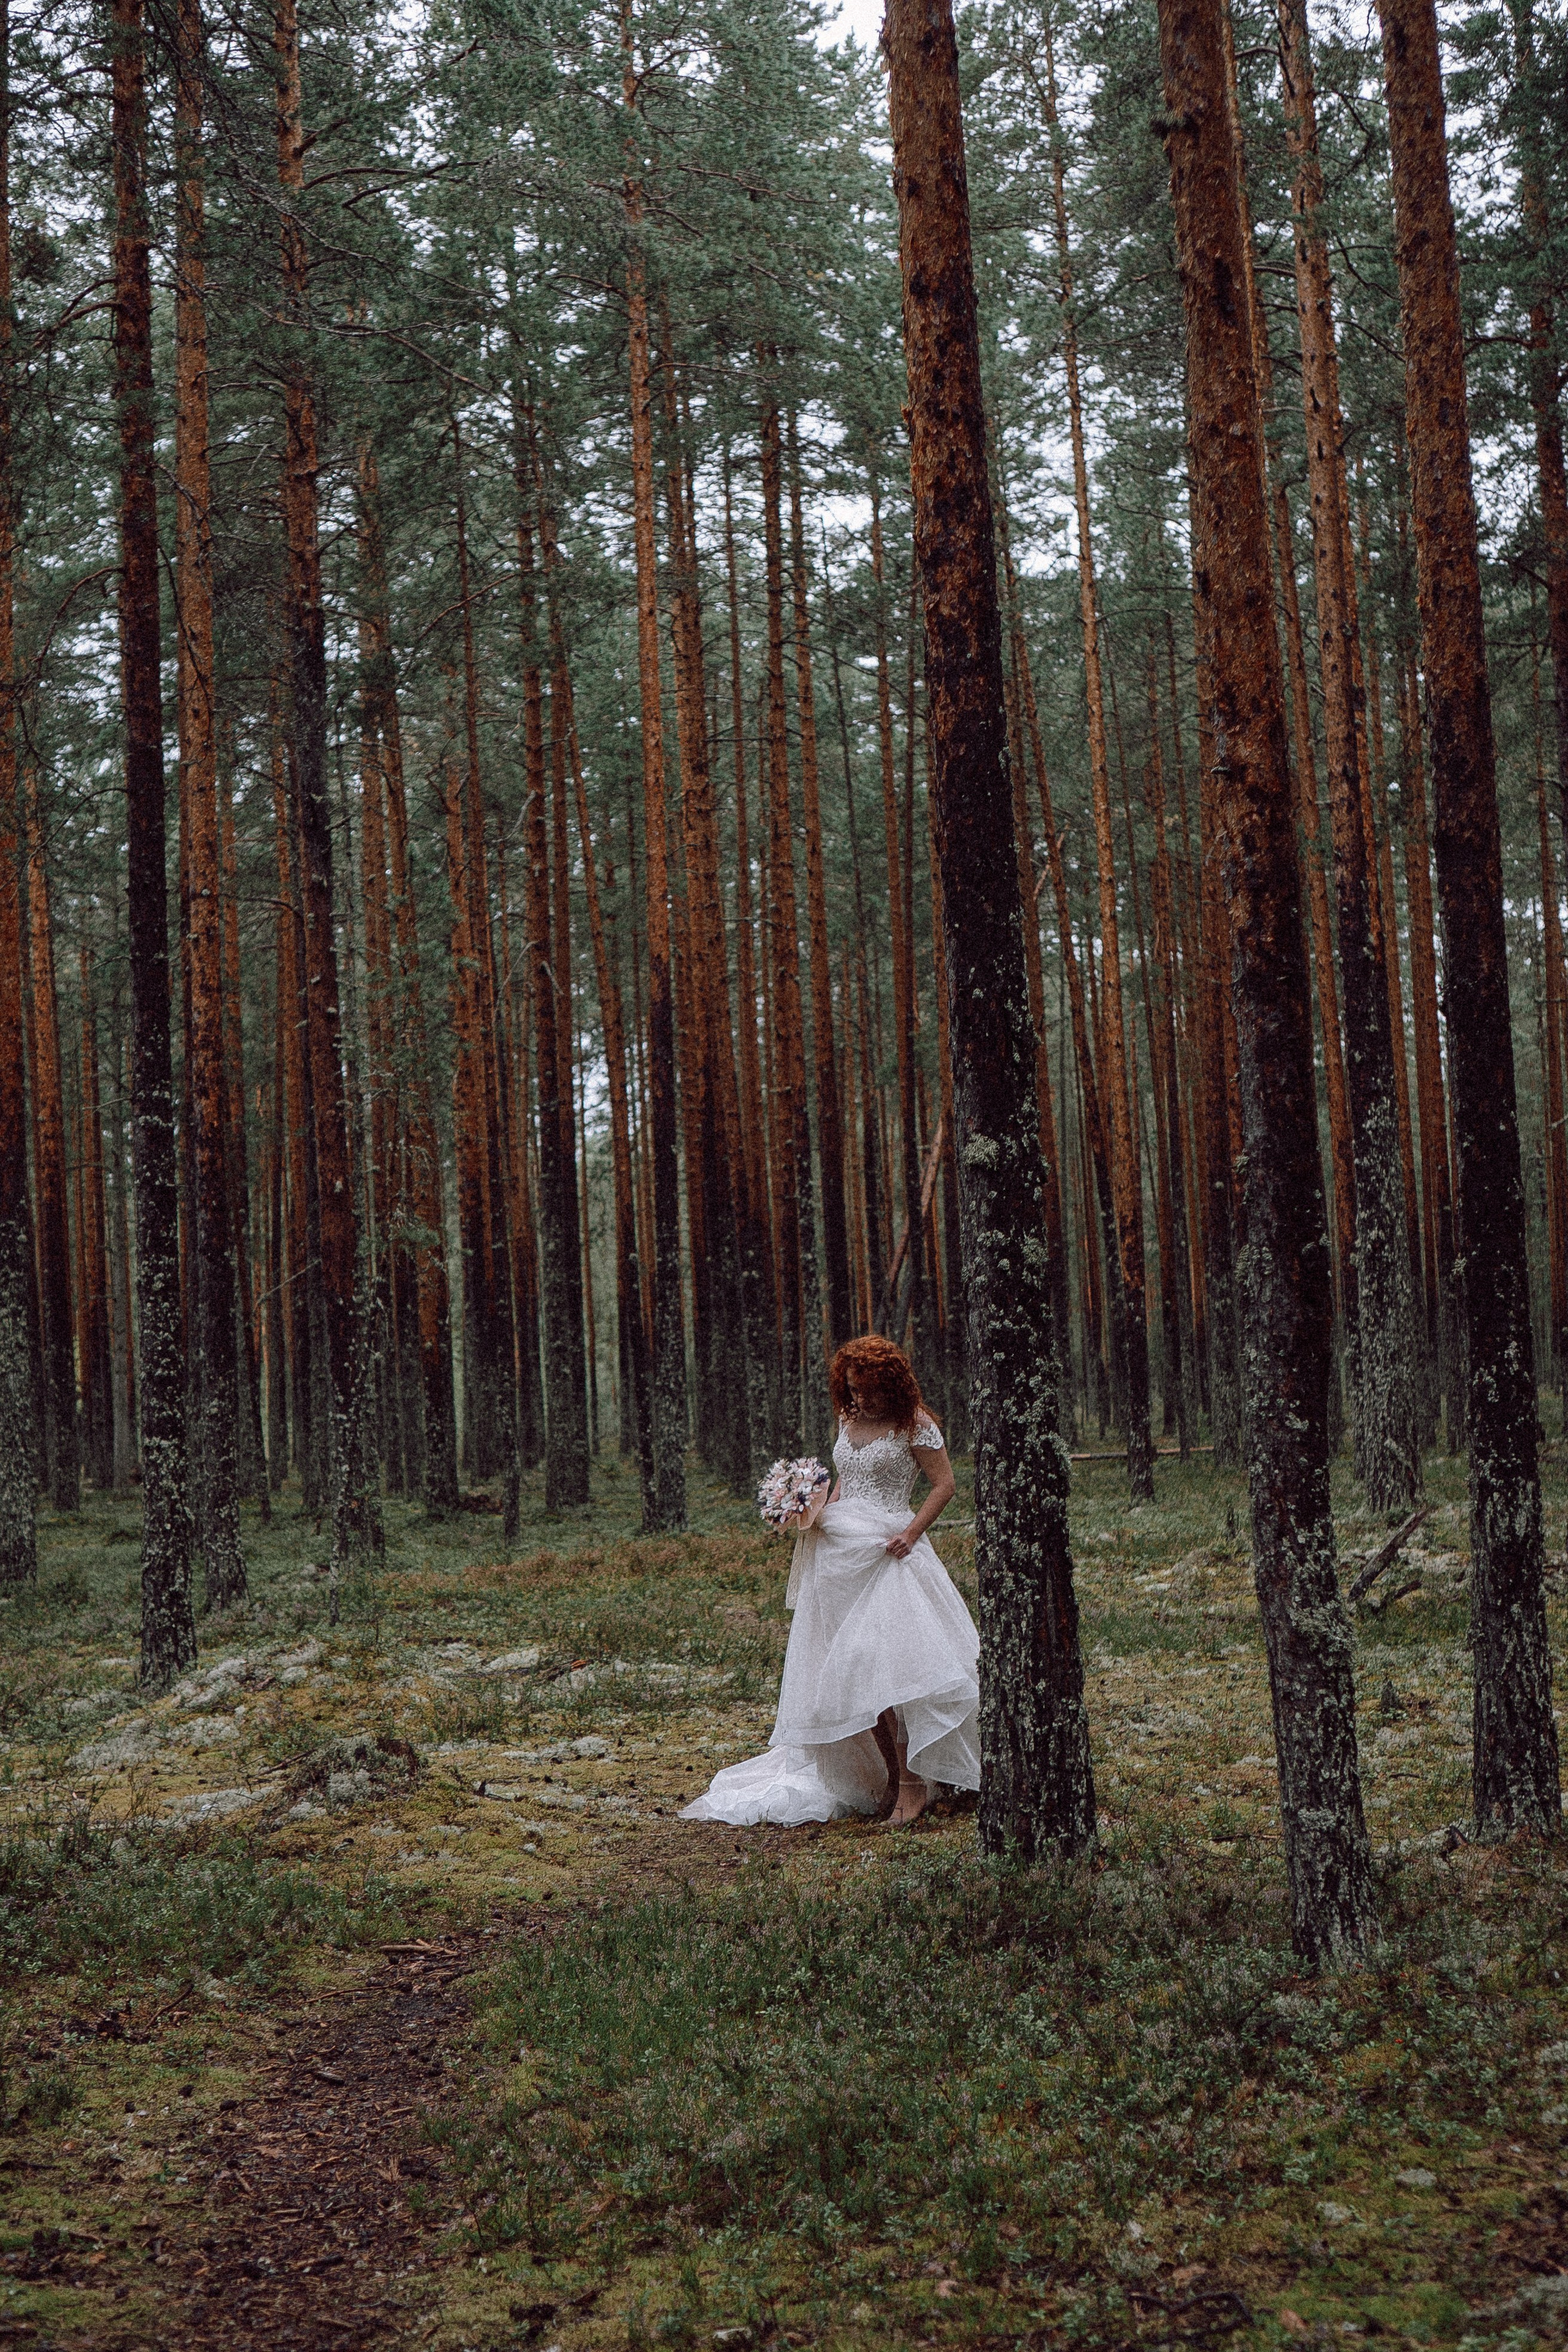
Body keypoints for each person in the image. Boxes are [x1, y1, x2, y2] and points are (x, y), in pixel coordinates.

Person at [682, 1334, 979, 1828]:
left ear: (891, 1383)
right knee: (853, 1673)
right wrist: (816, 1511)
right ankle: (891, 1776)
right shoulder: (849, 1418)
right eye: (853, 1388)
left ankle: (914, 1783)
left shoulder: (916, 1425)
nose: (860, 1397)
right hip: (840, 1554)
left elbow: (945, 1485)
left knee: (893, 1670)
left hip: (889, 1553)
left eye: (869, 1388)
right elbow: (848, 1479)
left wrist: (911, 1533)